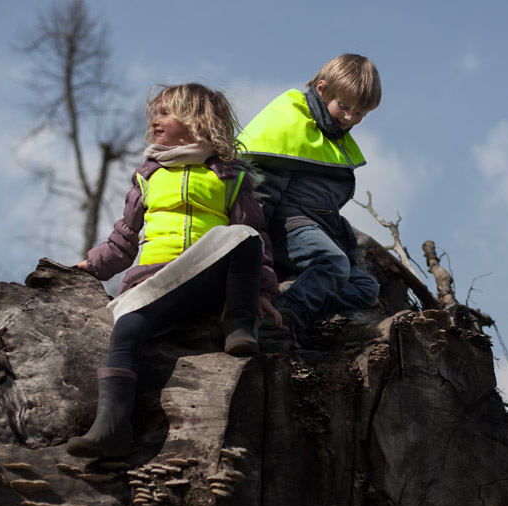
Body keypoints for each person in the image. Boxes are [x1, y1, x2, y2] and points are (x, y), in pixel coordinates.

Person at [66, 83, 281, 459]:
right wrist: (91, 266)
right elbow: (123, 241)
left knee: (245, 236)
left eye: (166, 113)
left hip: (210, 277)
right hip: (156, 284)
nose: (155, 120)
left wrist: (262, 292)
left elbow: (257, 237)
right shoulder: (147, 177)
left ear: (198, 122)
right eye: (156, 113)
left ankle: (238, 325)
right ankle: (111, 428)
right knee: (126, 331)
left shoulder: (229, 178)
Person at [236, 54, 381, 347]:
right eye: (345, 107)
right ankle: (283, 315)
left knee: (367, 288)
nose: (350, 119)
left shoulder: (328, 129)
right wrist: (256, 262)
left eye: (360, 114)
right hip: (283, 225)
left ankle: (292, 294)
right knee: (333, 262)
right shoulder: (288, 128)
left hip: (311, 226)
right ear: (322, 89)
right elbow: (258, 200)